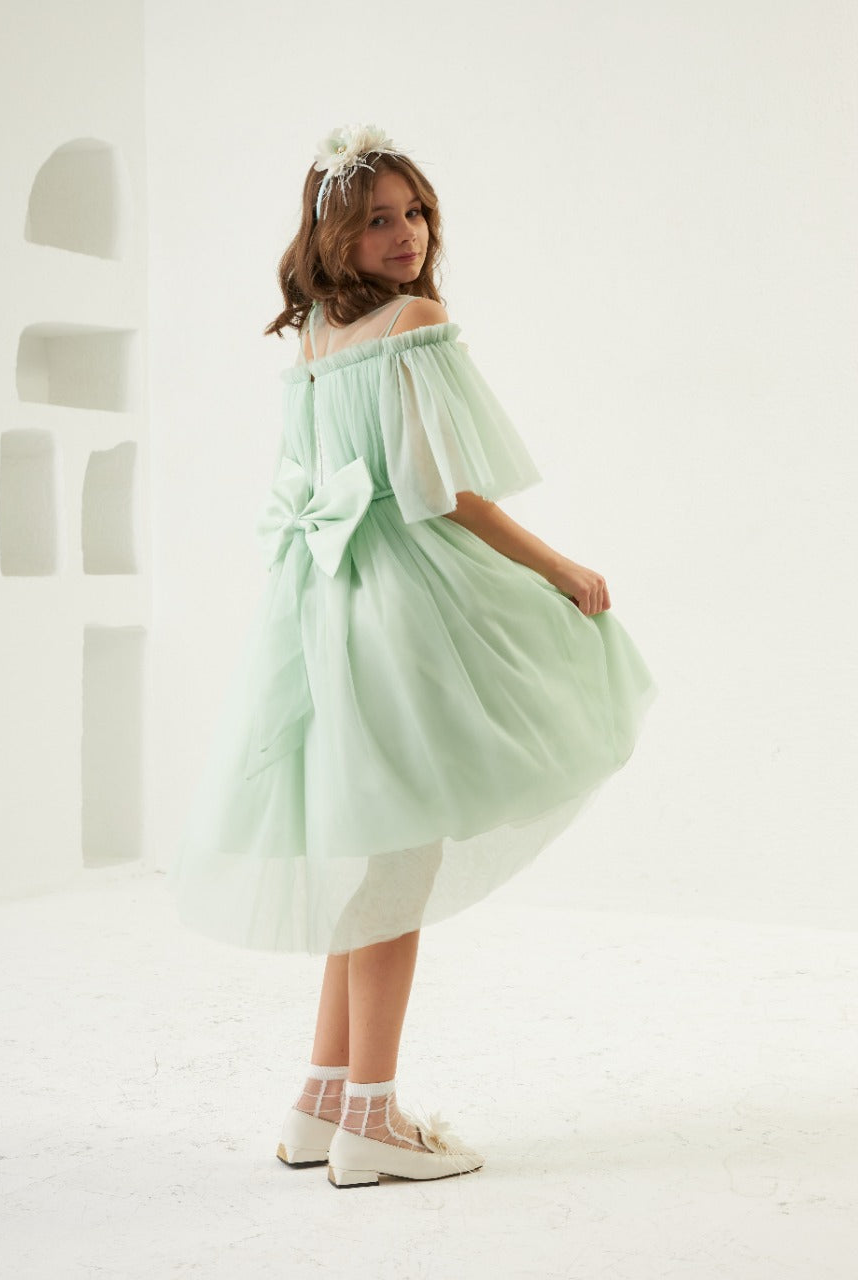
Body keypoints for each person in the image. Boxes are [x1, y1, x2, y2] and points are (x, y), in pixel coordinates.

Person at [170, 123, 658, 1188]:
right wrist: (558, 566)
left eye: (416, 212)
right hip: (399, 605)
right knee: (397, 864)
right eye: (378, 219)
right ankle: (374, 1121)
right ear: (333, 236)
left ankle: (320, 1100)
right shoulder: (415, 324)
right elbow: (443, 494)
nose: (407, 234)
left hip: (322, 603)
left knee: (372, 849)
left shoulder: (313, 339)